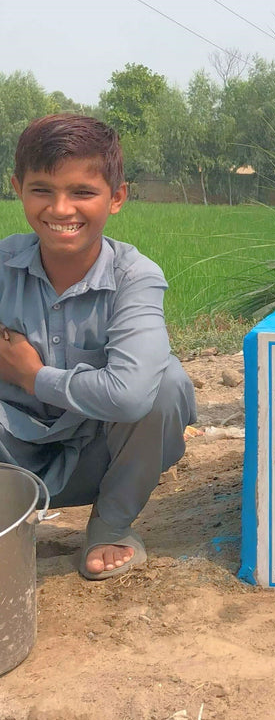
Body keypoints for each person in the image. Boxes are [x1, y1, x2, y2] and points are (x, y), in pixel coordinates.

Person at [0, 114, 196, 580]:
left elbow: (128, 395)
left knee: (164, 384)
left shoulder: (135, 277)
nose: (61, 209)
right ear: (17, 188)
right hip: (12, 461)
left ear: (117, 197)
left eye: (82, 192)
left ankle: (110, 526)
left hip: (100, 457)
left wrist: (32, 376)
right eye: (42, 189)